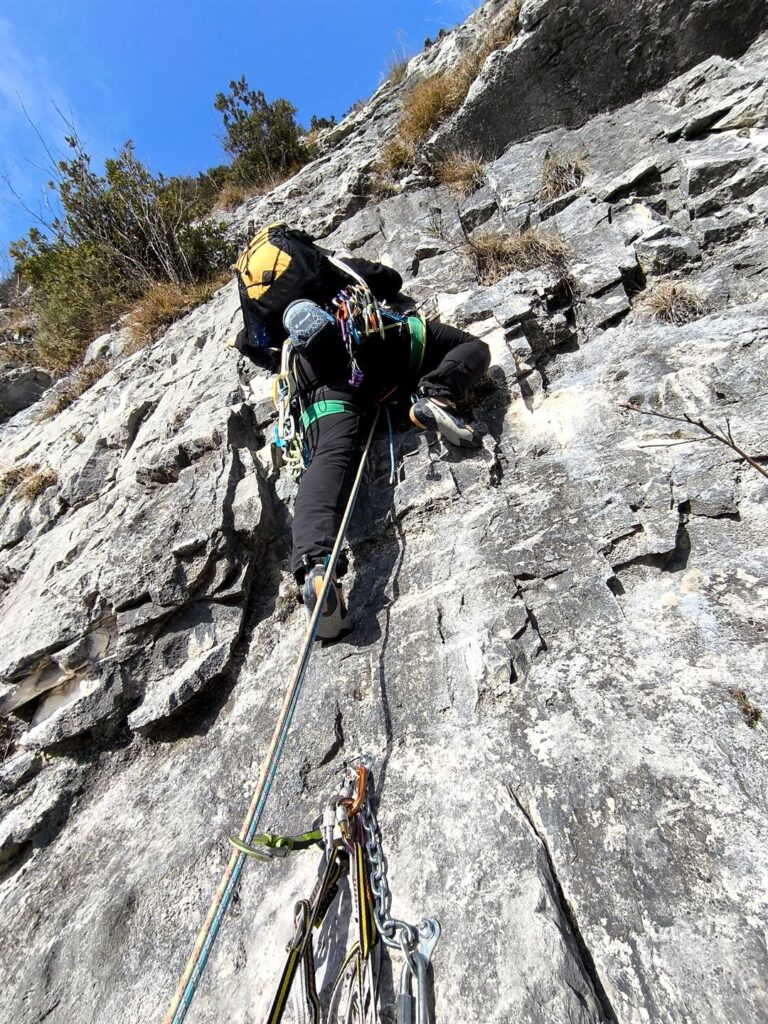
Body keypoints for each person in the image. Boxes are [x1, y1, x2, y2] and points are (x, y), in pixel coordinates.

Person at [235, 229, 490, 639]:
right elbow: (389, 280)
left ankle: (318, 569)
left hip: (323, 382)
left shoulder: (258, 308)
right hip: (377, 343)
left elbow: (251, 346)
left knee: (329, 460)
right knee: (470, 346)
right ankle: (438, 394)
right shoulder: (334, 267)